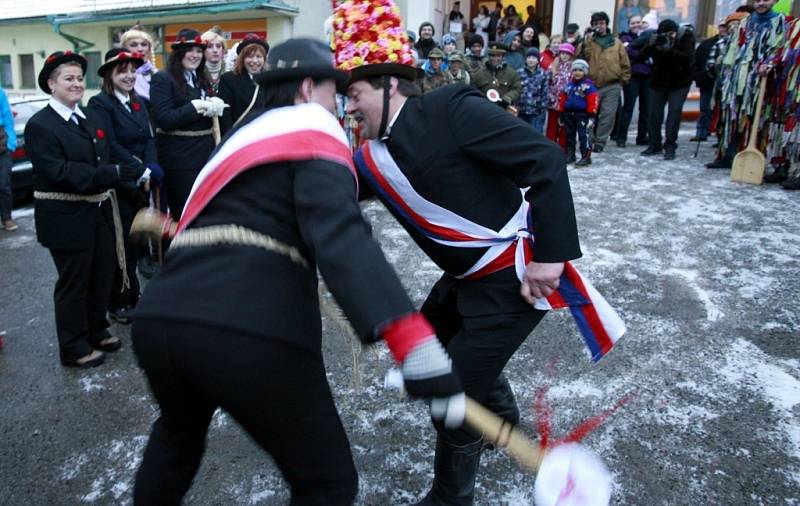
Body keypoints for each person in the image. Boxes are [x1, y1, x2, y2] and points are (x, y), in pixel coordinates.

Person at [132, 37, 464, 504]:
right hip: (247, 328)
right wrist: (414, 343)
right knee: (327, 484)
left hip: (162, 321)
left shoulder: (239, 139)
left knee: (176, 443)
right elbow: (340, 236)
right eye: (336, 93)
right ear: (308, 89)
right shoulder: (312, 127)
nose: (342, 106)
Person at [338, 2, 622, 503]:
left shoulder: (451, 107)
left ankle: (452, 496)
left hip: (514, 280)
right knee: (429, 350)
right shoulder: (374, 155)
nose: (350, 107)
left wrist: (550, 256)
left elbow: (545, 159)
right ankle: (502, 418)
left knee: (452, 393)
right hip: (465, 281)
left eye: (355, 93)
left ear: (388, 82)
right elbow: (334, 188)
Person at [25, 51, 138, 367]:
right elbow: (58, 172)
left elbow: (103, 155)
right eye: (68, 79)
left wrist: (125, 170)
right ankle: (73, 346)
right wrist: (110, 174)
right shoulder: (41, 125)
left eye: (78, 78)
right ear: (51, 84)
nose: (76, 84)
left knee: (102, 274)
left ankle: (96, 328)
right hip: (64, 216)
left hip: (97, 210)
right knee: (74, 283)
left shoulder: (89, 117)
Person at [88, 49, 162, 325]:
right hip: (120, 183)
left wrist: (151, 166)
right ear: (110, 75)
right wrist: (138, 168)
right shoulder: (100, 105)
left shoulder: (139, 103)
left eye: (133, 71)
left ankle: (134, 294)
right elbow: (110, 144)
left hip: (141, 181)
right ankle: (118, 301)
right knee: (119, 245)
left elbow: (148, 138)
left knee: (135, 243)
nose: (129, 76)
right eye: (123, 72)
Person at [150, 28, 225, 220]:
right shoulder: (163, 79)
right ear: (178, 53)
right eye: (190, 50)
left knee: (205, 211)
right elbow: (164, 119)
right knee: (185, 214)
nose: (195, 55)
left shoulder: (200, 78)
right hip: (179, 161)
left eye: (199, 51)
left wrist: (214, 104)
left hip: (203, 156)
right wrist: (195, 107)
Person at [640, 20, 695, 160]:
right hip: (659, 80)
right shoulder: (656, 38)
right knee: (654, 113)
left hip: (680, 81)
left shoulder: (686, 37)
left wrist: (669, 49)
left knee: (674, 113)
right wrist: (650, 45)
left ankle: (670, 145)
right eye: (667, 34)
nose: (670, 36)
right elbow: (641, 57)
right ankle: (654, 143)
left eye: (672, 33)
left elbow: (687, 59)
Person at [577, 11, 631, 153]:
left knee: (608, 114)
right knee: (590, 113)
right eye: (596, 24)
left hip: (612, 84)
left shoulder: (616, 43)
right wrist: (585, 39)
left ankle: (600, 141)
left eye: (601, 23)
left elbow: (625, 64)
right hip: (592, 84)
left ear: (606, 24)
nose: (599, 26)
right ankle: (590, 138)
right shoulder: (589, 42)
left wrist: (622, 81)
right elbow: (580, 58)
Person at [218, 33, 268, 135]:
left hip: (264, 135)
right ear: (242, 59)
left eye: (259, 56)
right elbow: (225, 115)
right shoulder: (228, 80)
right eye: (250, 56)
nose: (255, 61)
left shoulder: (270, 80)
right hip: (239, 136)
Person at [614, 14, 652, 147]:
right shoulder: (624, 38)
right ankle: (621, 137)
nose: (636, 25)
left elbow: (648, 52)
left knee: (646, 108)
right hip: (633, 77)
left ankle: (642, 137)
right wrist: (643, 53)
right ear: (629, 25)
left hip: (647, 77)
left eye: (638, 22)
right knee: (628, 108)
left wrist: (637, 50)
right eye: (633, 23)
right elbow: (627, 53)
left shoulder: (648, 36)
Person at [559, 59, 599, 166]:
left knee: (583, 136)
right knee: (569, 135)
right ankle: (570, 155)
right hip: (569, 114)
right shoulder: (568, 86)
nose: (577, 72)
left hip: (583, 115)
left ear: (585, 72)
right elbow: (563, 99)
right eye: (575, 70)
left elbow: (593, 100)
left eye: (580, 70)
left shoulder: (588, 86)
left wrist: (591, 114)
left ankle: (585, 156)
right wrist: (562, 112)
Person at [691, 23, 723, 142]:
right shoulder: (707, 43)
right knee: (704, 108)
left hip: (724, 83)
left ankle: (720, 137)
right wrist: (698, 76)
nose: (724, 29)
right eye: (722, 26)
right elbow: (696, 60)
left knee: (722, 110)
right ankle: (701, 132)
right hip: (707, 80)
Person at [471, 42, 522, 108]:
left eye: (498, 56)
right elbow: (474, 89)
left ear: (503, 57)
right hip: (484, 109)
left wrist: (508, 97)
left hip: (503, 110)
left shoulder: (512, 73)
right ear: (489, 56)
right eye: (492, 56)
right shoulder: (479, 73)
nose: (495, 59)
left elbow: (517, 89)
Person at [545, 42, 576, 149]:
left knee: (564, 127)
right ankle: (550, 147)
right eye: (562, 53)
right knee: (552, 127)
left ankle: (562, 148)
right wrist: (550, 96)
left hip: (567, 103)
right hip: (553, 102)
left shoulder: (573, 68)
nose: (564, 56)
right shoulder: (553, 66)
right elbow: (547, 83)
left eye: (567, 54)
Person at [120, 26, 158, 103]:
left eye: (144, 44)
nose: (140, 49)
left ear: (149, 48)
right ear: (124, 49)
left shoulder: (158, 74)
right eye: (133, 45)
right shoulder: (119, 77)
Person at [516, 48, 549, 133]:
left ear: (538, 60)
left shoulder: (543, 74)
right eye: (529, 57)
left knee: (535, 133)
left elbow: (545, 93)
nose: (531, 60)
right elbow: (516, 89)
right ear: (525, 59)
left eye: (534, 58)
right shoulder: (519, 72)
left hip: (535, 110)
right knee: (521, 132)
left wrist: (542, 108)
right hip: (521, 109)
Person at [0, 87, 17, 232]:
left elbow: (8, 119)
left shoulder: (0, 93)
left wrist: (11, 144)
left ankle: (7, 218)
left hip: (3, 146)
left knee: (4, 184)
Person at [201, 27, 227, 93]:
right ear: (203, 51)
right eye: (209, 46)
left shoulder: (230, 70)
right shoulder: (196, 72)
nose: (215, 50)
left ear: (223, 50)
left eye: (218, 46)